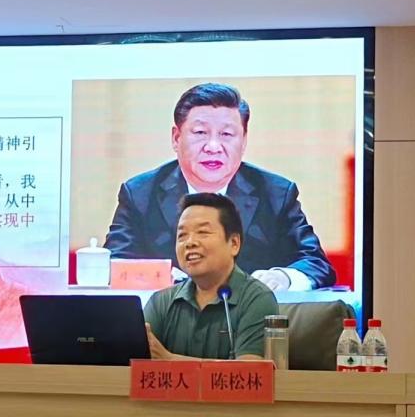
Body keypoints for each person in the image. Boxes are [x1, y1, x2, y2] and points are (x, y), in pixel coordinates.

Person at [104, 82, 337, 290]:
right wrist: (158, 277)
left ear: (243, 141)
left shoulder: (276, 193)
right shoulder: (140, 194)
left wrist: (283, 277)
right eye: (200, 132)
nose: (213, 147)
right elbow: (113, 264)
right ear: (176, 138)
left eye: (226, 134)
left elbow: (316, 263)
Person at [144, 193, 279, 360]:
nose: (190, 242)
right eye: (182, 235)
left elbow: (249, 371)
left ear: (234, 244)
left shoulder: (257, 299)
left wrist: (169, 360)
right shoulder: (161, 302)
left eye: (202, 232)